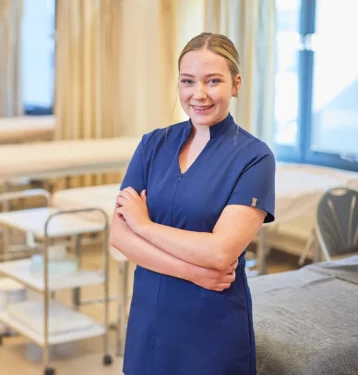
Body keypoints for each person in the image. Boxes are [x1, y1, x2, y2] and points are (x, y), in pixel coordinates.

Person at [110, 32, 276, 375]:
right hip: (150, 318)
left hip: (211, 325)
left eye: (212, 81)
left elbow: (220, 253)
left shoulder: (254, 158)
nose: (198, 94)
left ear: (236, 84)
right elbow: (119, 236)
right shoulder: (153, 144)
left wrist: (144, 226)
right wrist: (194, 272)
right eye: (188, 81)